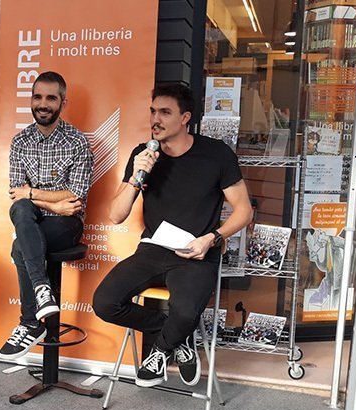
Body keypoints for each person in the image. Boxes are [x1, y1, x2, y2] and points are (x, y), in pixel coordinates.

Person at [92, 83, 253, 388]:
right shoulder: (143, 155)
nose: (156, 118)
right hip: (153, 249)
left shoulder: (215, 154)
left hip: (196, 253)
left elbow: (244, 211)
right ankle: (177, 336)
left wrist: (211, 238)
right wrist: (136, 179)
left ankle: (162, 348)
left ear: (185, 118)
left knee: (186, 310)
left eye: (165, 112)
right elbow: (116, 215)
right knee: (105, 302)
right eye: (153, 111)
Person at [0, 71, 94, 360]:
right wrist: (51, 200)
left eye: (51, 98)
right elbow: (16, 194)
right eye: (37, 96)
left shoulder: (77, 142)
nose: (43, 103)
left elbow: (75, 196)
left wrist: (33, 194)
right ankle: (42, 291)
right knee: (22, 209)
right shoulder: (20, 142)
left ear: (63, 103)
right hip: (32, 218)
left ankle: (29, 322)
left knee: (20, 243)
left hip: (67, 224)